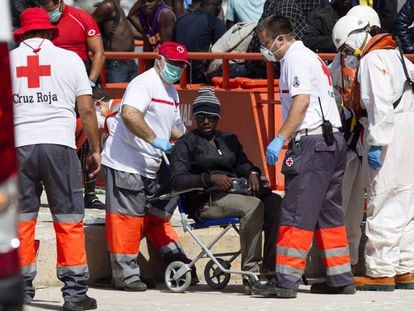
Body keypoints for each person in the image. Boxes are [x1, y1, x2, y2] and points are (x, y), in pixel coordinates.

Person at [252, 15, 355, 298]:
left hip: (311, 144)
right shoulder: (311, 57)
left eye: (266, 43)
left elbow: (302, 101)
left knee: (295, 212)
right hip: (331, 141)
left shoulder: (294, 59)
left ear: (280, 39)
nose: (266, 50)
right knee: (328, 214)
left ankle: (285, 281)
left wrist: (281, 137)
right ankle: (340, 278)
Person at [11, 8, 100, 310]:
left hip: (19, 147)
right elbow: (87, 110)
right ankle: (75, 295)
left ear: (22, 33)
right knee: (69, 220)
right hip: (59, 145)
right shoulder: (70, 59)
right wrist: (96, 150)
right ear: (49, 32)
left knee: (21, 221)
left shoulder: (8, 62)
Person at [100, 41, 196, 291]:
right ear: (159, 59)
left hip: (150, 166)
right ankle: (126, 277)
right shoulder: (143, 84)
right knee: (125, 220)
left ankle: (163, 264)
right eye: (173, 63)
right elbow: (130, 114)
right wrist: (156, 140)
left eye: (181, 66)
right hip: (126, 162)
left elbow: (175, 126)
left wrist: (186, 143)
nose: (177, 69)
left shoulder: (171, 92)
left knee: (150, 219)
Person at [332, 14, 414, 291]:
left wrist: (377, 143)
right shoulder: (396, 53)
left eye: (346, 47)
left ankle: (380, 271)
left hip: (386, 134)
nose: (347, 54)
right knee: (405, 202)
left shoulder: (371, 60)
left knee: (383, 198)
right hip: (407, 132)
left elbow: (379, 106)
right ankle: (405, 267)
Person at [170, 87, 281, 275]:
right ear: (195, 117)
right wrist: (209, 178)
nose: (206, 121)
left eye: (211, 116)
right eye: (201, 116)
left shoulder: (228, 139)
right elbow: (177, 180)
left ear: (218, 117)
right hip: (206, 200)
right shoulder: (186, 143)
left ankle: (270, 267)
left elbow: (243, 163)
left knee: (276, 203)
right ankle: (251, 273)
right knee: (252, 206)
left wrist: (251, 173)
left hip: (235, 192)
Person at [329, 5, 384, 274]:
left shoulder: (381, 61)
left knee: (379, 203)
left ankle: (377, 264)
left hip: (375, 139)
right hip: (351, 140)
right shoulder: (339, 64)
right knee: (345, 205)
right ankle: (347, 263)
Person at [38, 0, 106, 209]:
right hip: (51, 84)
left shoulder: (81, 17)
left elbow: (99, 53)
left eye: (48, 3)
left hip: (82, 80)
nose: (46, 8)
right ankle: (45, 187)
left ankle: (90, 192)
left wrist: (90, 82)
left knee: (89, 131)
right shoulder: (37, 20)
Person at [174, 0, 226, 83]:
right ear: (219, 8)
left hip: (178, 75)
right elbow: (224, 50)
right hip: (200, 78)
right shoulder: (216, 23)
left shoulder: (181, 20)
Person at [92, 0, 138, 83]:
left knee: (134, 93)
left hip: (129, 62)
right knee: (117, 94)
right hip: (116, 64)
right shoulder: (108, 6)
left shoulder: (117, 7)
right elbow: (89, 26)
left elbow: (124, 32)